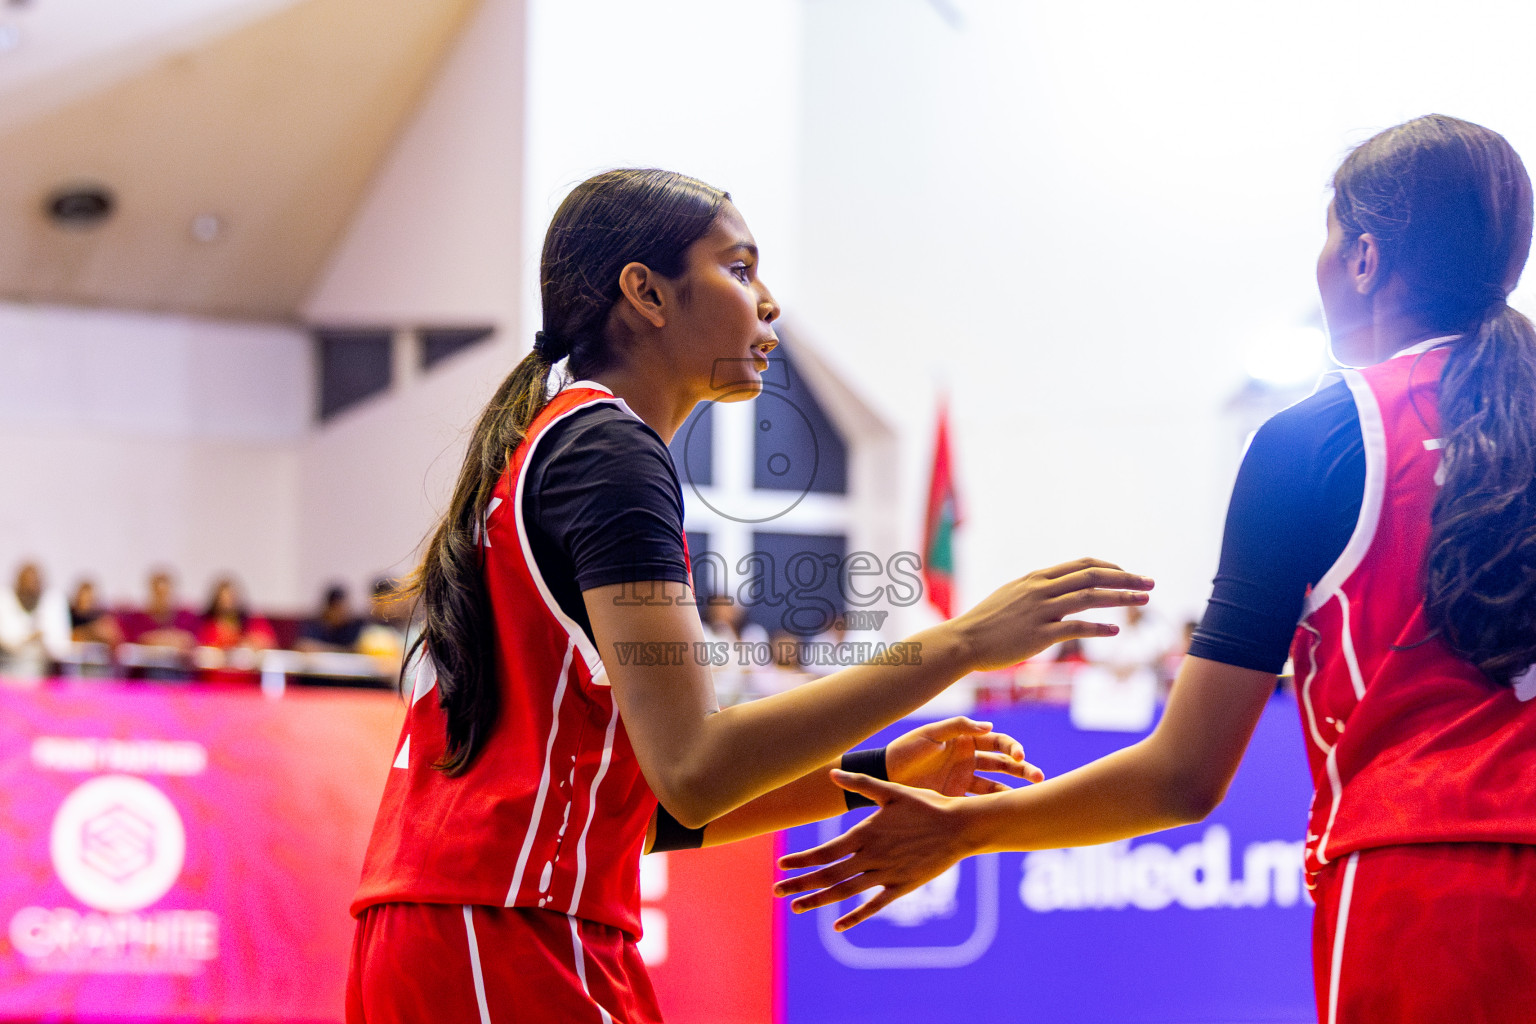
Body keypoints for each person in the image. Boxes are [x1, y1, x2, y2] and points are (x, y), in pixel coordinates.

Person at [346, 168, 1154, 1024]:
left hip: (477, 919)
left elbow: (649, 810)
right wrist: (958, 645)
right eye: (739, 269)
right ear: (647, 293)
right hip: (504, 925)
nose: (768, 303)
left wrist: (875, 774)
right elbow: (697, 771)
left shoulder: (556, 445)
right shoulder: (609, 453)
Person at [776, 115, 1536, 1024]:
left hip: (1427, 884)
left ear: (1364, 258)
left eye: (1329, 236)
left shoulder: (1321, 441)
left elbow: (1184, 774)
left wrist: (965, 829)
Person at [0, 562, 71, 680]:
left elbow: (61, 648)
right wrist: (29, 638)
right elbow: (7, 640)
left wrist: (43, 638)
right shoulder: (4, 600)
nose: (30, 591)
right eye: (26, 588)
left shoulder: (52, 602)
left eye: (34, 584)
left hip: (44, 677)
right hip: (7, 675)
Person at [296, 584, 365, 652]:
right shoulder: (316, 624)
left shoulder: (354, 626)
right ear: (329, 608)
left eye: (345, 608)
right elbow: (304, 645)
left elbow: (357, 649)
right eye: (337, 609)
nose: (342, 613)